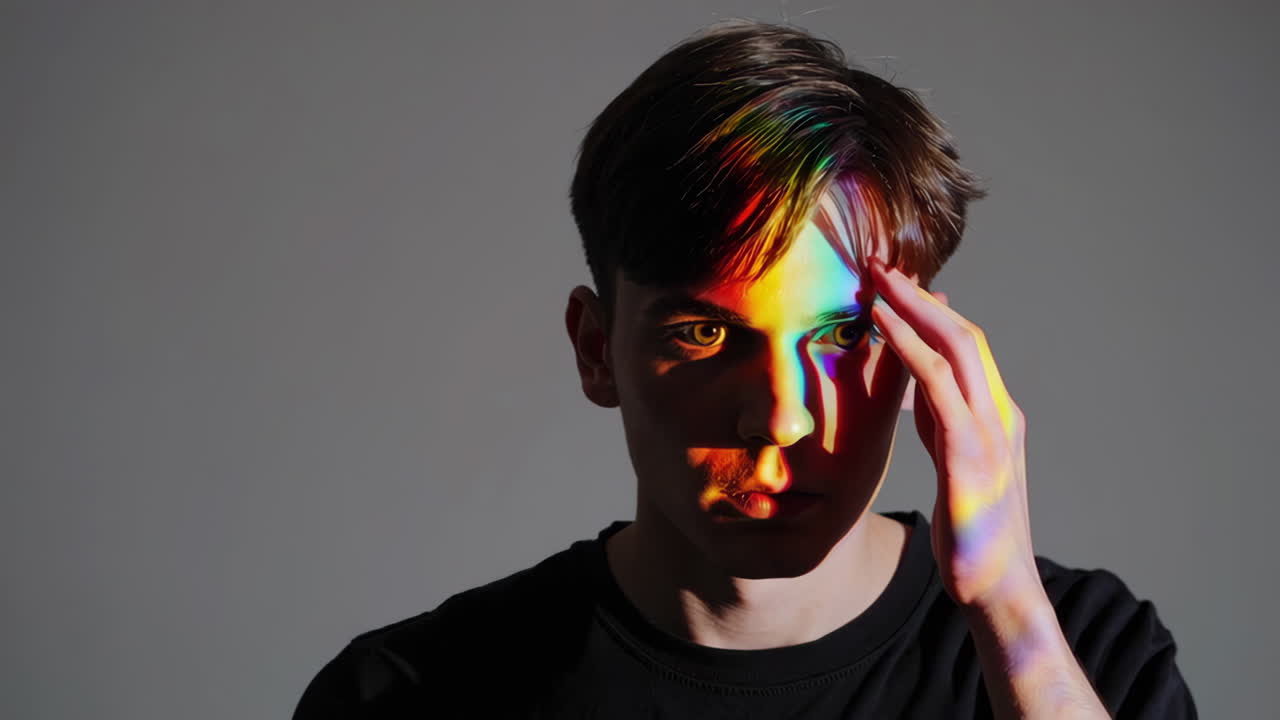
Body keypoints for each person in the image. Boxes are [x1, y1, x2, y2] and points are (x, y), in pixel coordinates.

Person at [293, 19, 1196, 719]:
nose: (781, 420)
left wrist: (1007, 609)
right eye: (706, 334)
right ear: (596, 347)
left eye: (844, 336)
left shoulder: (1085, 656)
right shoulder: (409, 695)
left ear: (932, 352)